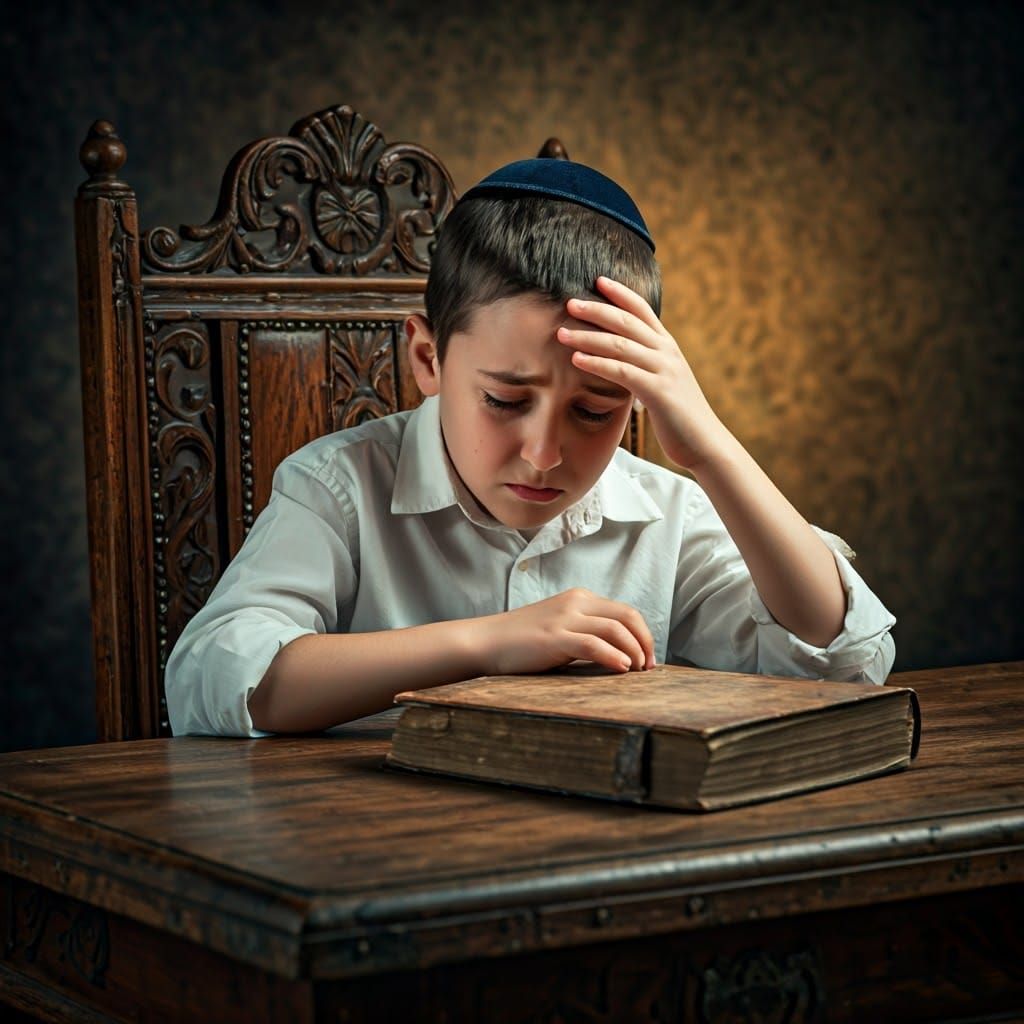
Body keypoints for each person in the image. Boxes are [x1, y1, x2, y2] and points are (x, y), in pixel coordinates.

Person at [165, 158, 895, 737]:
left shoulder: (666, 510)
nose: (545, 452)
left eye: (595, 410)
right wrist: (487, 644)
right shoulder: (339, 485)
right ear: (428, 360)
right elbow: (215, 679)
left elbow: (844, 662)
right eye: (505, 401)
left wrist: (710, 449)